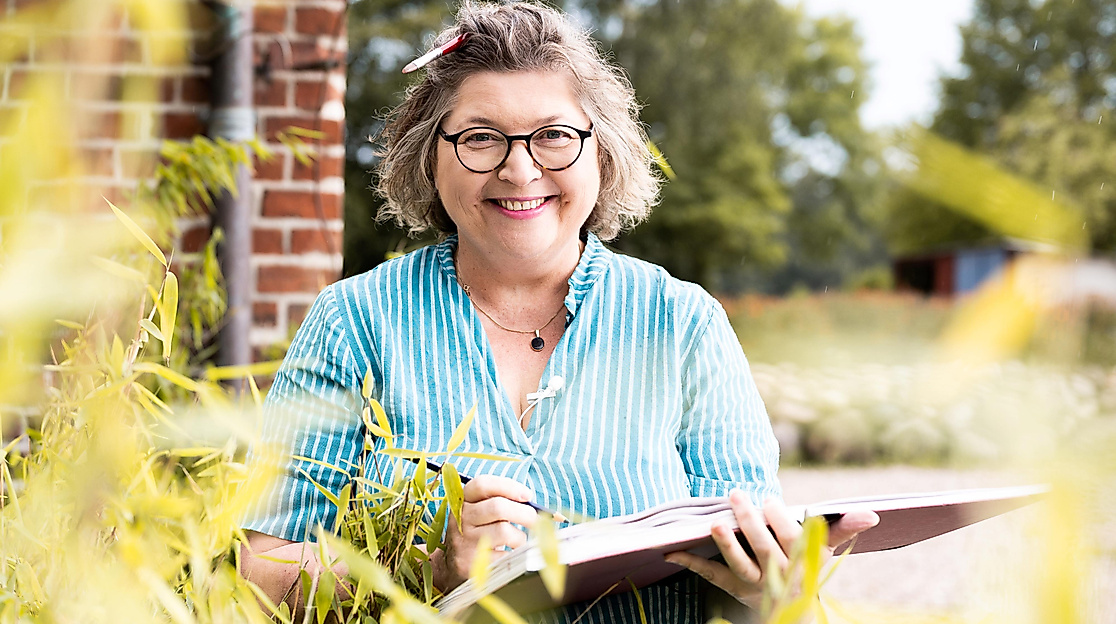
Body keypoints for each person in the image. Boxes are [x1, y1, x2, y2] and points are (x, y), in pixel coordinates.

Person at [239, 2, 878, 622]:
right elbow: (258, 576)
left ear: (602, 152)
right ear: (430, 156)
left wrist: (778, 593)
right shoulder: (354, 322)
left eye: (553, 135)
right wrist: (428, 570)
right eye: (481, 138)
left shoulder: (682, 323)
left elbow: (757, 583)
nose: (520, 170)